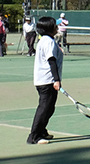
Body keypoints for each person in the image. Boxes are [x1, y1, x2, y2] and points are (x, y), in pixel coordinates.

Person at [27, 16, 63, 145]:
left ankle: (42, 131)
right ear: (49, 28)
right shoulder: (48, 41)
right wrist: (56, 80)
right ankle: (33, 136)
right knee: (44, 108)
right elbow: (51, 61)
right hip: (47, 80)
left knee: (49, 108)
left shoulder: (46, 40)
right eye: (55, 26)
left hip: (46, 80)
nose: (57, 27)